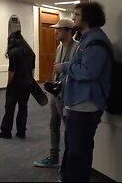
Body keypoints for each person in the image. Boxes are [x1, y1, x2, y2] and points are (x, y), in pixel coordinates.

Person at [53, 2, 112, 182]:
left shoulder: (96, 42)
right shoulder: (86, 39)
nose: (73, 18)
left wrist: (65, 67)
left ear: (87, 18)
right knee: (72, 147)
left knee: (79, 152)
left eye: (76, 15)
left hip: (86, 105)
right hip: (77, 103)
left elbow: (89, 71)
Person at [34, 19, 79, 168]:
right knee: (53, 124)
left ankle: (69, 159)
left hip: (67, 95)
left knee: (69, 128)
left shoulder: (77, 48)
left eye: (59, 30)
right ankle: (54, 156)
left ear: (67, 31)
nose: (56, 32)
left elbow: (76, 71)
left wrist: (63, 70)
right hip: (55, 93)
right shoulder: (59, 47)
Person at [0, 31, 36, 139]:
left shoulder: (13, 52)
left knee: (9, 107)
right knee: (23, 107)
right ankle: (21, 131)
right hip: (27, 83)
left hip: (15, 84)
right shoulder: (31, 52)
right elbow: (32, 71)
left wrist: (8, 84)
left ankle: (6, 131)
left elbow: (12, 72)